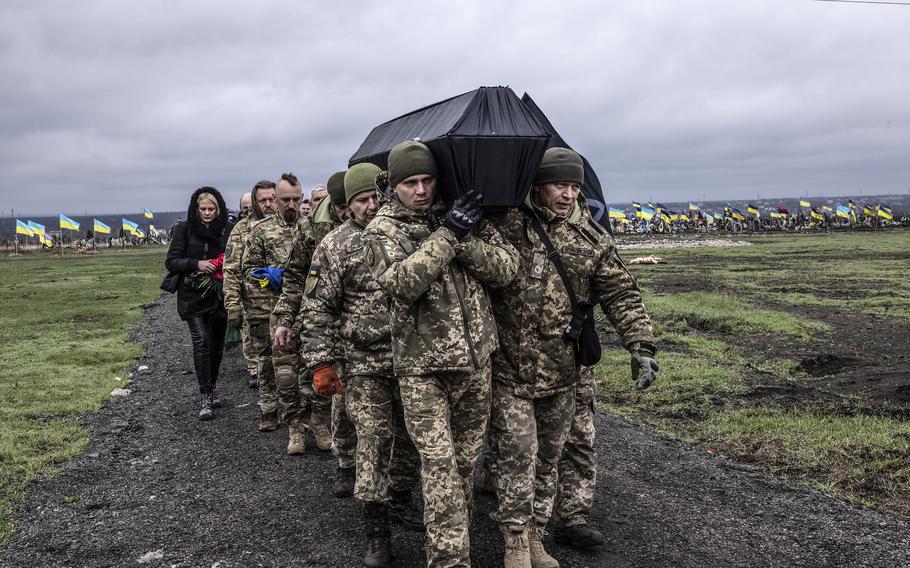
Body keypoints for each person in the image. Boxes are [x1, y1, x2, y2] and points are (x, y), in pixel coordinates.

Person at [487, 147, 657, 567]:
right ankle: (514, 543)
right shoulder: (506, 225)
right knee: (516, 456)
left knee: (548, 458)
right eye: (560, 185)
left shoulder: (592, 240)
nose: (568, 194)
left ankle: (535, 536)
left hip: (562, 373)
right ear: (538, 185)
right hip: (508, 369)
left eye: (575, 187)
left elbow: (620, 293)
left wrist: (641, 345)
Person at [363, 139, 519, 568]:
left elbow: (507, 269)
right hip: (422, 370)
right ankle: (450, 562)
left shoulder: (463, 213)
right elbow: (401, 284)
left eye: (427, 180)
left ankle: (449, 547)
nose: (420, 190)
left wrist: (464, 236)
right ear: (393, 186)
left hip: (475, 364)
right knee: (439, 467)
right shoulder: (382, 230)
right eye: (410, 182)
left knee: (466, 466)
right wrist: (447, 235)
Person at [302, 163, 421, 566]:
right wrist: (320, 363)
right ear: (346, 207)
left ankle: (402, 498)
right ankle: (376, 529)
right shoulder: (334, 247)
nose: (371, 206)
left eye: (375, 197)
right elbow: (317, 309)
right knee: (373, 438)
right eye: (361, 200)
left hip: (413, 360)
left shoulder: (405, 235)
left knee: (409, 439)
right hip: (364, 362)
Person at [272, 171, 348, 458]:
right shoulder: (312, 228)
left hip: (350, 316)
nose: (347, 212)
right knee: (293, 375)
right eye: (341, 207)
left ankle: (318, 420)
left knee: (332, 377)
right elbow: (294, 277)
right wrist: (285, 319)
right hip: (313, 312)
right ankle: (295, 425)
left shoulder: (372, 221)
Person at [243, 173, 307, 451]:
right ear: (276, 201)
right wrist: (269, 278)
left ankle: (316, 421)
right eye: (285, 200)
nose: (291, 205)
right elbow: (247, 271)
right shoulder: (262, 231)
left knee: (315, 370)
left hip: (313, 312)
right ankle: (294, 426)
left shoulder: (314, 229)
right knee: (285, 372)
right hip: (278, 310)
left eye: (296, 199)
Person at [165, 187, 233, 420]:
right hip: (191, 295)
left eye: (211, 209)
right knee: (201, 342)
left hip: (219, 295)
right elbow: (172, 261)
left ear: (219, 209)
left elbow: (235, 257)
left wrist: (220, 264)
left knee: (216, 347)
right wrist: (197, 264)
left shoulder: (227, 229)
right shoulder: (184, 229)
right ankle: (205, 395)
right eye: (203, 209)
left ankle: (212, 387)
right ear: (196, 209)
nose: (207, 213)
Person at [224, 181, 276, 389]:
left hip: (286, 304)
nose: (268, 204)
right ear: (255, 203)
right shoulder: (241, 229)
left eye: (272, 199)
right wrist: (233, 305)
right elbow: (231, 269)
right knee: (262, 362)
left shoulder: (291, 225)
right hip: (255, 306)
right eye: (263, 200)